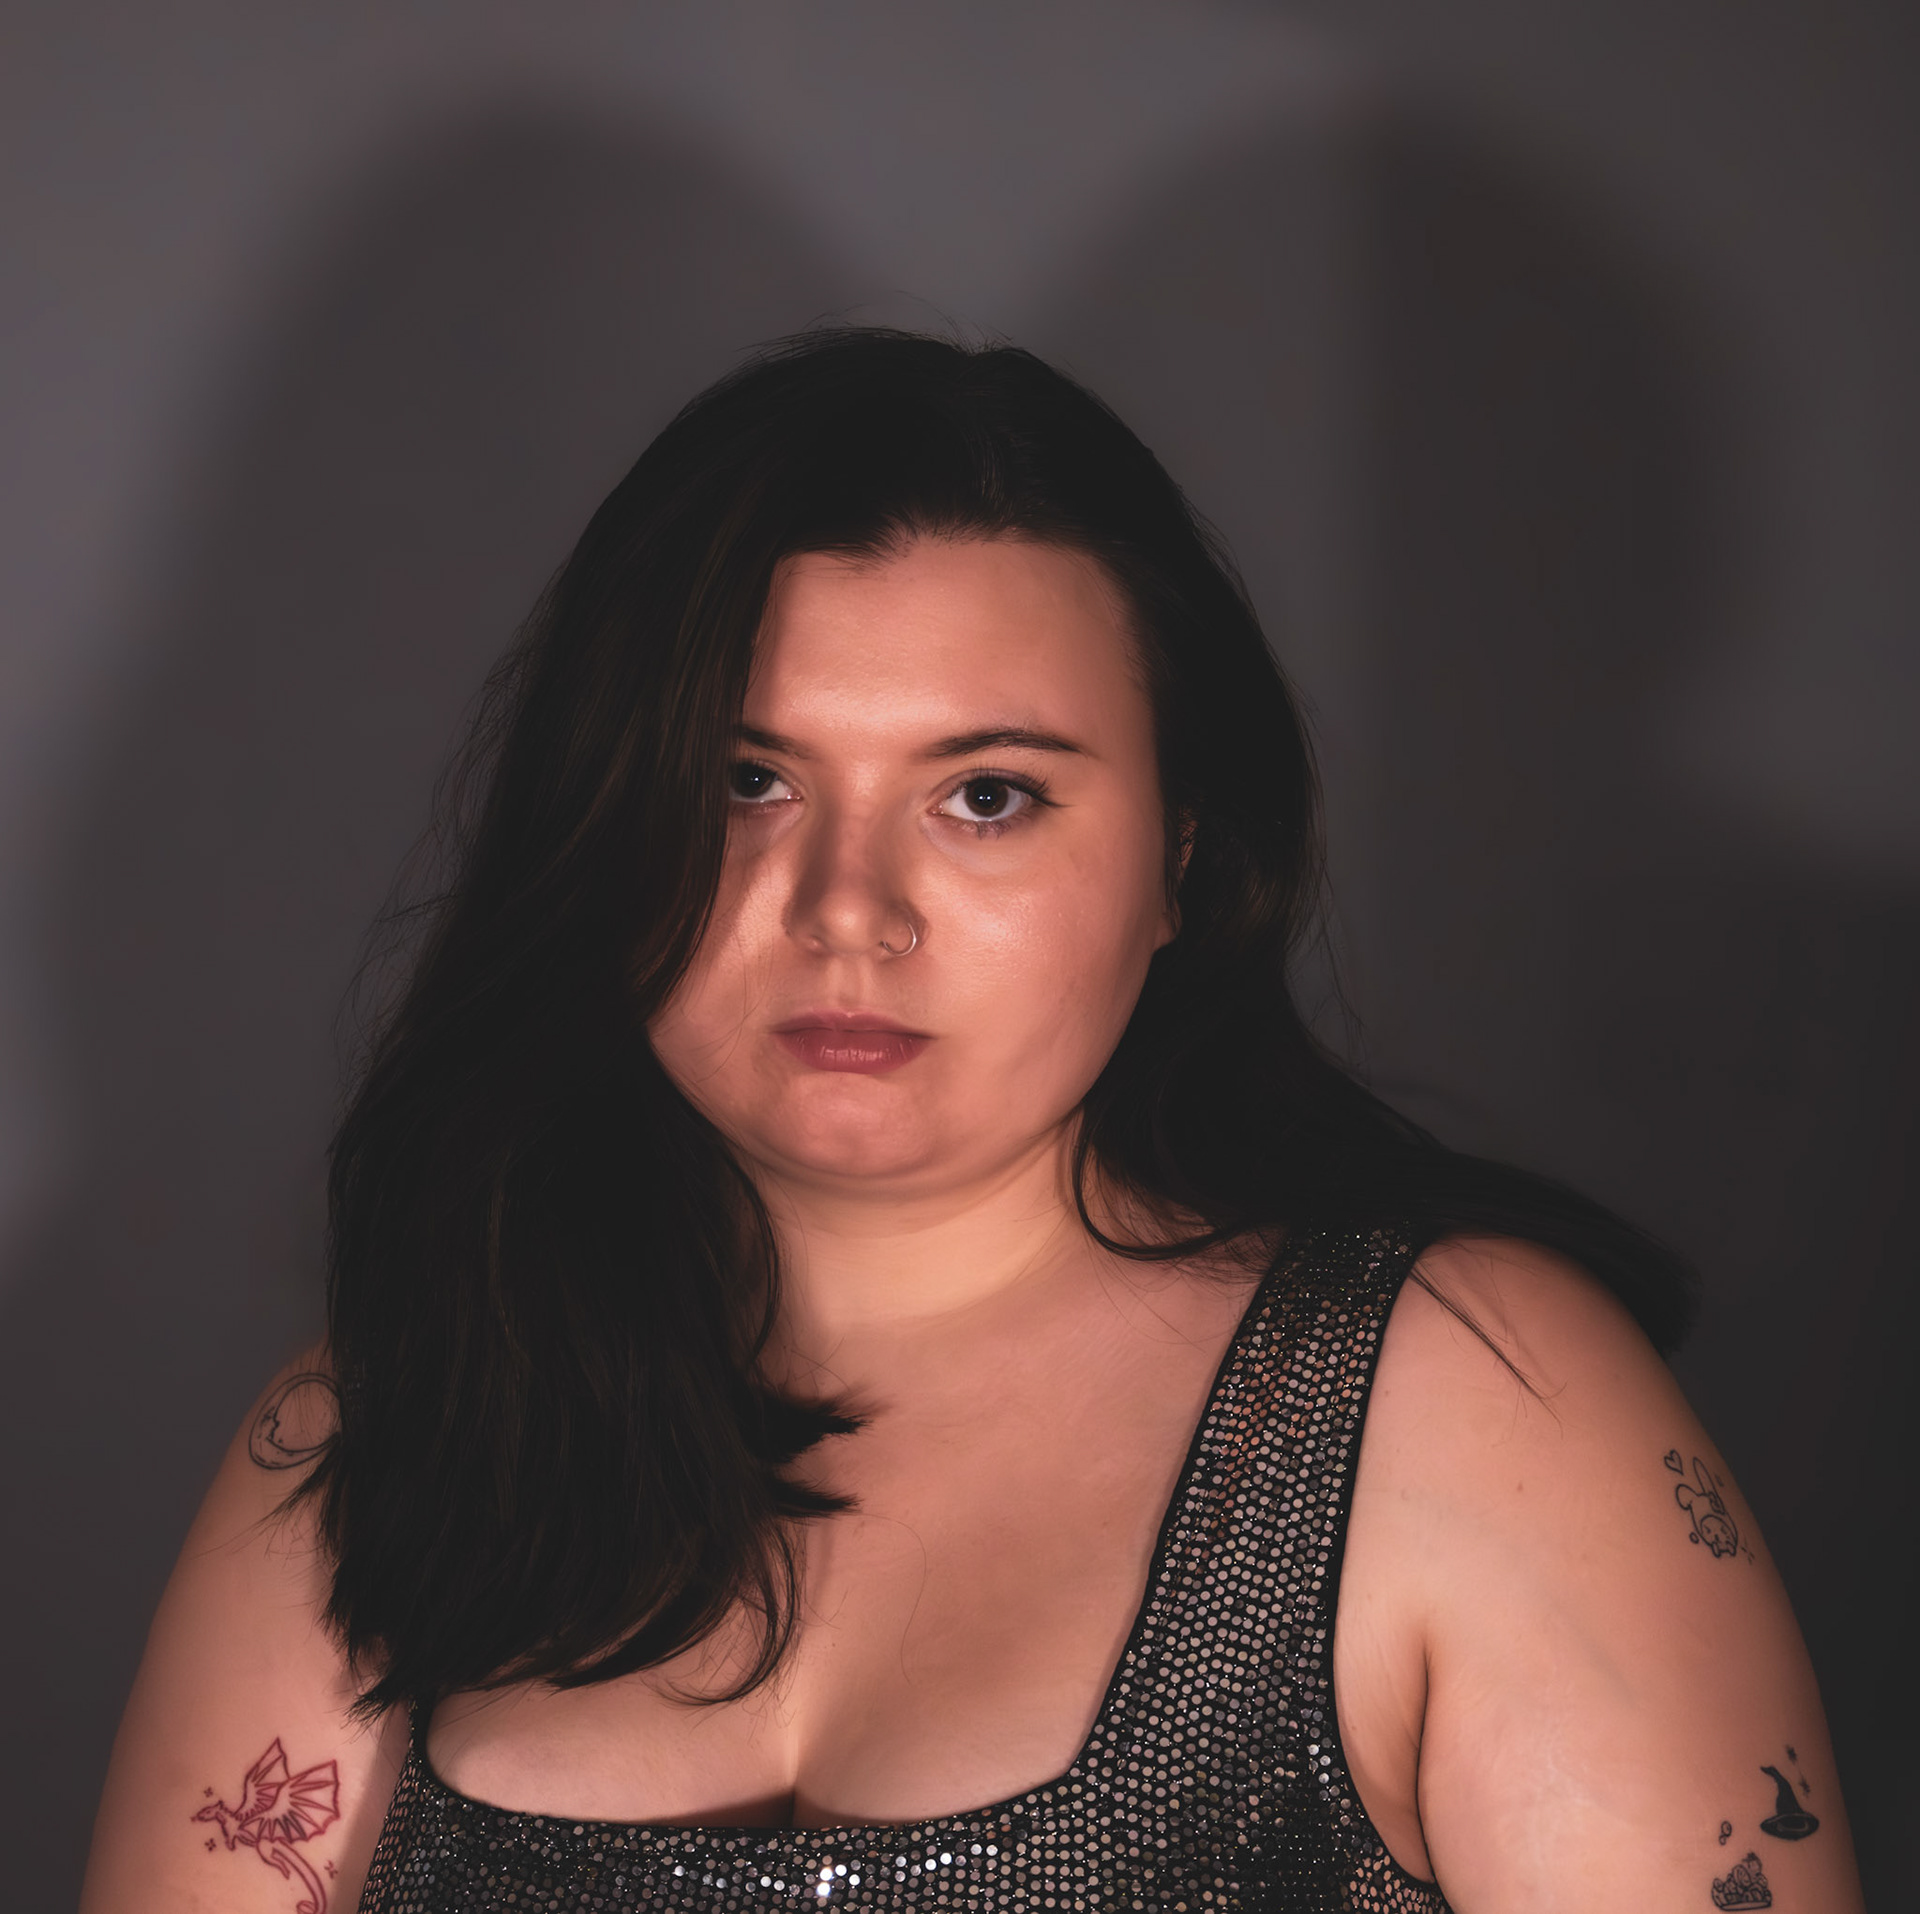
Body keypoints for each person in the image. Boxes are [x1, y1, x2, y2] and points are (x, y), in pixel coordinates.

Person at [80, 330, 1864, 1913]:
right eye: (747, 781)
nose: (848, 908)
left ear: (1182, 860)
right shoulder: (381, 1427)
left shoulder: (1469, 1401)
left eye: (988, 796)